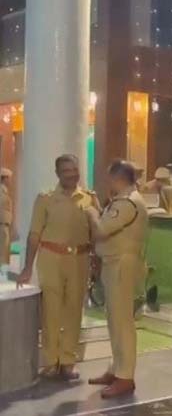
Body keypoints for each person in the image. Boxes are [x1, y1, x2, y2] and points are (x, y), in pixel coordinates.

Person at [16, 154, 99, 379]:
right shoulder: (45, 198)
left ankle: (68, 361)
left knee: (74, 310)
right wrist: (27, 267)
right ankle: (51, 361)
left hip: (80, 260)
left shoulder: (90, 198)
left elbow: (97, 233)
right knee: (51, 311)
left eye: (74, 169)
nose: (71, 174)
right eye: (66, 171)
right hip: (51, 258)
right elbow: (34, 235)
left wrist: (97, 262)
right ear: (57, 174)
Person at [86, 160, 148, 399]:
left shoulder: (128, 203)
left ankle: (125, 377)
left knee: (122, 322)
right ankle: (116, 369)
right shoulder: (124, 200)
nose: (107, 183)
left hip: (122, 265)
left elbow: (102, 229)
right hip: (113, 263)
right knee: (114, 320)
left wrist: (92, 212)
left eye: (109, 178)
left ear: (118, 178)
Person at [0, 168, 13, 264]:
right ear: (5, 178)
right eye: (9, 178)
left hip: (5, 225)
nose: (10, 181)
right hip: (1, 225)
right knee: (2, 253)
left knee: (4, 252)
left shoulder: (5, 191)